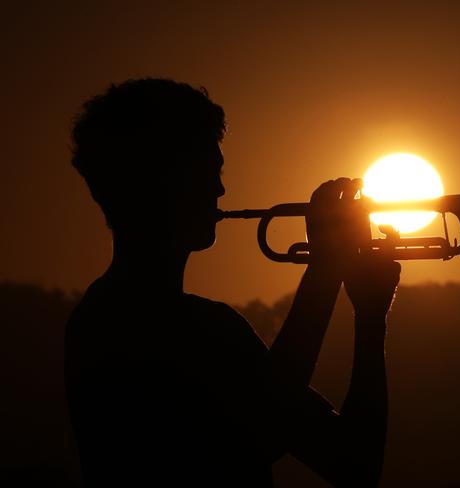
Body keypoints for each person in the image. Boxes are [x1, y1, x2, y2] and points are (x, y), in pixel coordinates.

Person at [65, 78, 400, 487]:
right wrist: (325, 268)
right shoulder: (140, 326)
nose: (220, 189)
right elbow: (265, 428)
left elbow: (355, 464)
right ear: (164, 179)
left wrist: (369, 318)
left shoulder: (103, 318)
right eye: (209, 170)